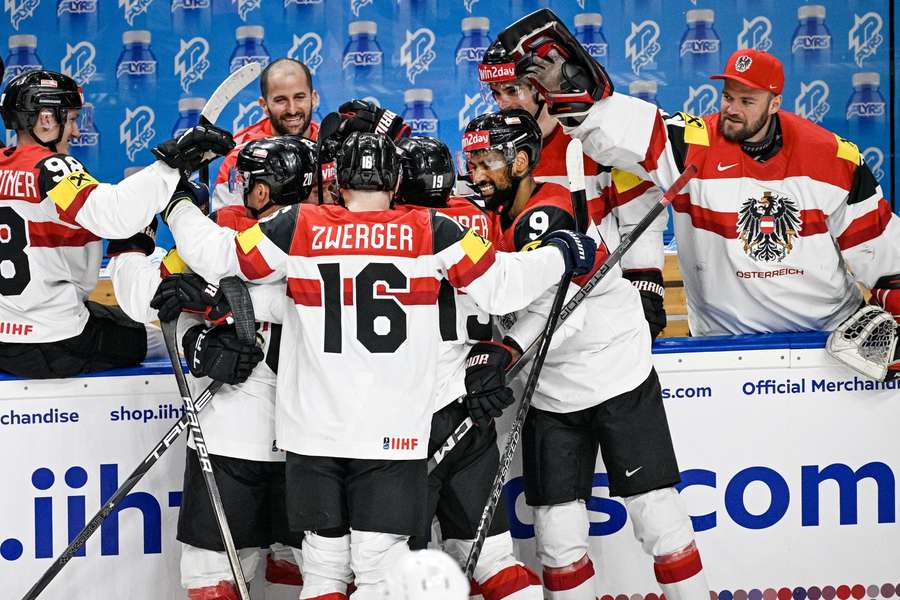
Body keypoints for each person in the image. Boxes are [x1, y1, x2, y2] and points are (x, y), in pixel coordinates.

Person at [162, 130, 597, 600]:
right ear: (394, 182)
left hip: (312, 435)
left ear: (338, 182)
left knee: (325, 575)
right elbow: (505, 288)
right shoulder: (435, 229)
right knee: (378, 575)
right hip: (392, 434)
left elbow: (214, 255)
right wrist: (562, 251)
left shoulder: (299, 223)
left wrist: (178, 202)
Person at [497, 10, 900, 342]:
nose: (733, 109)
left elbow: (883, 254)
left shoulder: (832, 155)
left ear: (776, 102)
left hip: (825, 341)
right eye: (727, 97)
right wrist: (579, 98)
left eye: (747, 100)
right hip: (722, 346)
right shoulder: (693, 143)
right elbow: (622, 131)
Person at [460, 108, 709, 600]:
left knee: (656, 515)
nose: (476, 172)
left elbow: (565, 313)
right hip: (550, 391)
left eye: (487, 160)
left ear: (522, 161)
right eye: (471, 160)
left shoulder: (549, 214)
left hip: (614, 374)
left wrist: (505, 351)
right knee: (556, 535)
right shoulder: (488, 213)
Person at [108, 136, 318, 600]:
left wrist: (131, 243)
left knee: (213, 578)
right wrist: (197, 333)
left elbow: (141, 296)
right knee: (322, 576)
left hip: (233, 434)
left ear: (262, 192)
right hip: (318, 444)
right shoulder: (343, 235)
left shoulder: (221, 238)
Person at [0, 69, 233, 378]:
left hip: (5, 339)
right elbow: (114, 215)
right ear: (45, 119)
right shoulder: (53, 167)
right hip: (56, 342)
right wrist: (175, 162)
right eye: (69, 119)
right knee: (154, 336)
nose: (76, 132)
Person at [394, 136, 542, 600]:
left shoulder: (385, 227)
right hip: (468, 408)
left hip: (404, 421)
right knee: (495, 561)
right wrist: (493, 351)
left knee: (395, 570)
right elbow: (508, 298)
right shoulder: (479, 218)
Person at [478, 41, 668, 338]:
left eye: (513, 91)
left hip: (596, 312)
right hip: (529, 316)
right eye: (496, 94)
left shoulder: (595, 140)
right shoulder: (491, 153)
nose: (503, 103)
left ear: (542, 88)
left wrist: (644, 280)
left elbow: (639, 214)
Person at [212, 58, 321, 209]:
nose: (292, 109)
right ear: (264, 105)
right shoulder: (242, 154)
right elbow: (226, 223)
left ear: (313, 98)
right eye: (280, 100)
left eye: (299, 97)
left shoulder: (333, 145)